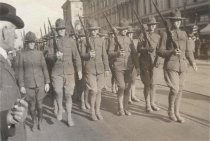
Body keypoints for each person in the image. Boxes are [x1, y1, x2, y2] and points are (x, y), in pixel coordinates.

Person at [157, 9, 197, 123]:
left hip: (183, 65)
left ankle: (177, 113)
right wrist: (172, 52)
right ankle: (170, 111)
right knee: (175, 89)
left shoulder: (184, 33)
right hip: (171, 65)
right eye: (175, 21)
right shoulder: (165, 34)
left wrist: (193, 62)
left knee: (180, 90)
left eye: (179, 20)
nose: (177, 23)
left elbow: (189, 50)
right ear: (171, 22)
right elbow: (159, 51)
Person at [0, 2, 28, 141]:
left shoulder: (4, 59)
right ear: (4, 31)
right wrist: (6, 119)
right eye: (13, 30)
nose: (16, 37)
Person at [51, 18, 82, 126]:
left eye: (62, 29)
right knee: (58, 91)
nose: (61, 31)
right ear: (56, 30)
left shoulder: (71, 41)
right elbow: (46, 56)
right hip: (57, 72)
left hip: (69, 72)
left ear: (65, 29)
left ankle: (69, 116)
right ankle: (60, 108)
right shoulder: (52, 41)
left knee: (68, 95)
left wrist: (79, 70)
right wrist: (54, 56)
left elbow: (77, 56)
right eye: (59, 29)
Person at [18, 31, 50, 131]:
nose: (32, 44)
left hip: (40, 84)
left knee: (40, 105)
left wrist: (47, 82)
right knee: (32, 106)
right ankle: (33, 122)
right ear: (26, 43)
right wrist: (21, 85)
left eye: (33, 42)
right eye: (30, 42)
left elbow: (45, 68)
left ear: (35, 43)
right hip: (28, 85)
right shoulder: (22, 55)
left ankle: (40, 121)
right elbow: (20, 71)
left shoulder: (40, 54)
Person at [108, 19, 139, 116]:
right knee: (121, 86)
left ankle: (125, 108)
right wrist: (117, 53)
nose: (125, 30)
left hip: (128, 67)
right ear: (120, 29)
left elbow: (134, 54)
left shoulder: (129, 40)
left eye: (126, 29)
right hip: (118, 66)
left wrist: (137, 66)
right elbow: (109, 53)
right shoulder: (114, 39)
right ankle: (120, 108)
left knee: (127, 87)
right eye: (123, 29)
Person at [81, 19, 109, 121]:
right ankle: (92, 112)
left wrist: (106, 68)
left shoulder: (101, 41)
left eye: (95, 30)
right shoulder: (84, 41)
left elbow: (104, 55)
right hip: (90, 70)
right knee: (93, 91)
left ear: (97, 30)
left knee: (99, 91)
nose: (93, 32)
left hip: (100, 69)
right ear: (89, 31)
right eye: (91, 30)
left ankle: (98, 111)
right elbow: (82, 55)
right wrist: (88, 55)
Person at [137, 16, 161, 112]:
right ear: (148, 26)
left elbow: (159, 50)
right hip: (145, 63)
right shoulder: (142, 35)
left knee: (153, 84)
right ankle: (147, 105)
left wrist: (158, 61)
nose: (152, 26)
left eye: (154, 25)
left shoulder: (157, 36)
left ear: (155, 26)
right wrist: (146, 49)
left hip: (154, 64)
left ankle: (153, 103)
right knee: (147, 84)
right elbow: (138, 49)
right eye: (150, 25)